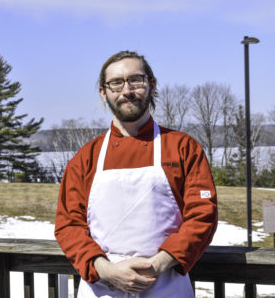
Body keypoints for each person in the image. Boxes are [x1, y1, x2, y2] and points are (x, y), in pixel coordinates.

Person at [55, 50, 218, 298]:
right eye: (116, 83)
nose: (126, 90)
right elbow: (69, 224)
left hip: (166, 284)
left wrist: (158, 264)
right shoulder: (84, 159)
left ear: (152, 86)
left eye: (136, 80)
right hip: (102, 286)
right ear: (103, 92)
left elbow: (202, 216)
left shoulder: (183, 148)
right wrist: (105, 269)